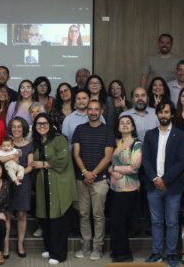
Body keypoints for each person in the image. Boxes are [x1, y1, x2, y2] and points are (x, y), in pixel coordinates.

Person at [141, 101, 184, 266]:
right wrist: (155, 179)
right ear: (157, 114)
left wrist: (164, 180)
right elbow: (145, 160)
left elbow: (181, 162)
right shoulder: (150, 134)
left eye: (166, 112)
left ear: (172, 114)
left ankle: (171, 254)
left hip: (173, 186)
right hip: (153, 185)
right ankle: (156, 252)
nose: (163, 115)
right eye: (160, 112)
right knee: (156, 222)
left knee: (172, 222)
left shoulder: (181, 135)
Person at [71, 99, 114, 260]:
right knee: (83, 214)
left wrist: (92, 174)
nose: (93, 112)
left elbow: (108, 156)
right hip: (81, 179)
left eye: (97, 109)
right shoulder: (79, 129)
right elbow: (76, 154)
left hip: (100, 179)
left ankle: (97, 247)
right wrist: (84, 172)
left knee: (98, 215)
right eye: (91, 109)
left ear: (101, 111)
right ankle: (85, 245)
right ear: (87, 111)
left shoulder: (107, 131)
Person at [31, 113, 77, 265]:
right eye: (38, 124)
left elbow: (62, 160)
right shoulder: (37, 140)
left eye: (45, 123)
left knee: (58, 219)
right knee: (46, 218)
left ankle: (59, 254)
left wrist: (43, 164)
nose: (42, 126)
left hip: (59, 183)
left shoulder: (59, 138)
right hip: (43, 184)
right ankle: (50, 248)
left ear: (50, 124)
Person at [107, 115, 142, 263]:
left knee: (119, 222)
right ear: (118, 127)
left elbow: (134, 167)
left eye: (128, 123)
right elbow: (110, 164)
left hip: (128, 189)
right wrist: (111, 170)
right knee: (115, 222)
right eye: (122, 123)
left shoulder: (137, 143)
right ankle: (117, 251)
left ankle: (124, 254)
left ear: (133, 127)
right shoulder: (117, 142)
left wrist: (113, 168)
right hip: (114, 188)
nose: (125, 125)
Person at [6, 117, 34, 258]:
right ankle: (5, 246)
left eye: (19, 127)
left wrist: (19, 174)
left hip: (23, 181)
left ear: (24, 128)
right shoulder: (6, 143)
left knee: (21, 213)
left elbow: (30, 166)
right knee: (7, 214)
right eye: (13, 126)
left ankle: (20, 244)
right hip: (7, 182)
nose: (16, 129)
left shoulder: (29, 145)